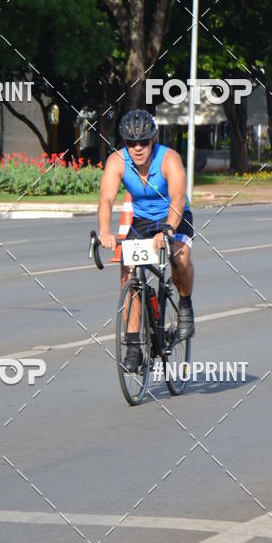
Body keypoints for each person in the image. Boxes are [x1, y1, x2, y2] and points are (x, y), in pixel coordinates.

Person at [97, 109, 195, 372]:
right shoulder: (117, 161)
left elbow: (177, 199)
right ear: (124, 143)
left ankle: (185, 305)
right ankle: (132, 347)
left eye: (143, 142)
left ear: (154, 139)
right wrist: (105, 230)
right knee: (129, 276)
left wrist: (168, 231)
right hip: (141, 222)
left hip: (174, 216)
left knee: (180, 256)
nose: (138, 148)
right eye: (131, 143)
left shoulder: (169, 159)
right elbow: (106, 198)